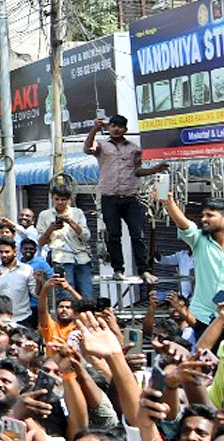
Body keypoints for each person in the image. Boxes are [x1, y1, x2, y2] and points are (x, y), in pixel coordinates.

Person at [84, 115, 168, 282]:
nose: (116, 129)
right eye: (113, 126)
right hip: (110, 197)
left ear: (125, 129)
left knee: (138, 235)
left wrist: (155, 169)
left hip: (131, 197)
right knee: (114, 235)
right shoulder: (102, 146)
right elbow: (87, 148)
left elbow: (138, 171)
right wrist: (94, 128)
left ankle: (144, 270)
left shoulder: (134, 149)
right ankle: (118, 269)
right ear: (109, 128)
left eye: (120, 126)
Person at [156, 192, 224, 335]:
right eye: (203, 215)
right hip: (204, 317)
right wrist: (169, 203)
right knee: (205, 356)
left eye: (210, 215)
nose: (204, 219)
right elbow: (185, 225)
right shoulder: (199, 240)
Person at [36, 183, 94, 300]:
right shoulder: (45, 215)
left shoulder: (77, 213)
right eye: (57, 199)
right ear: (52, 198)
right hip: (60, 258)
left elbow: (86, 236)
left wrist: (71, 222)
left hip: (81, 257)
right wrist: (51, 229)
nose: (60, 202)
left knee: (87, 294)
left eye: (64, 199)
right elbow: (40, 242)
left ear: (69, 199)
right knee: (66, 296)